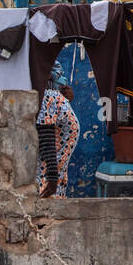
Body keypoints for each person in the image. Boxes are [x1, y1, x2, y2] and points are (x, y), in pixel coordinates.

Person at [37, 65, 80, 197]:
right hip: (47, 179)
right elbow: (46, 135)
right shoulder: (49, 96)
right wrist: (52, 176)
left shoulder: (54, 98)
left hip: (54, 176)